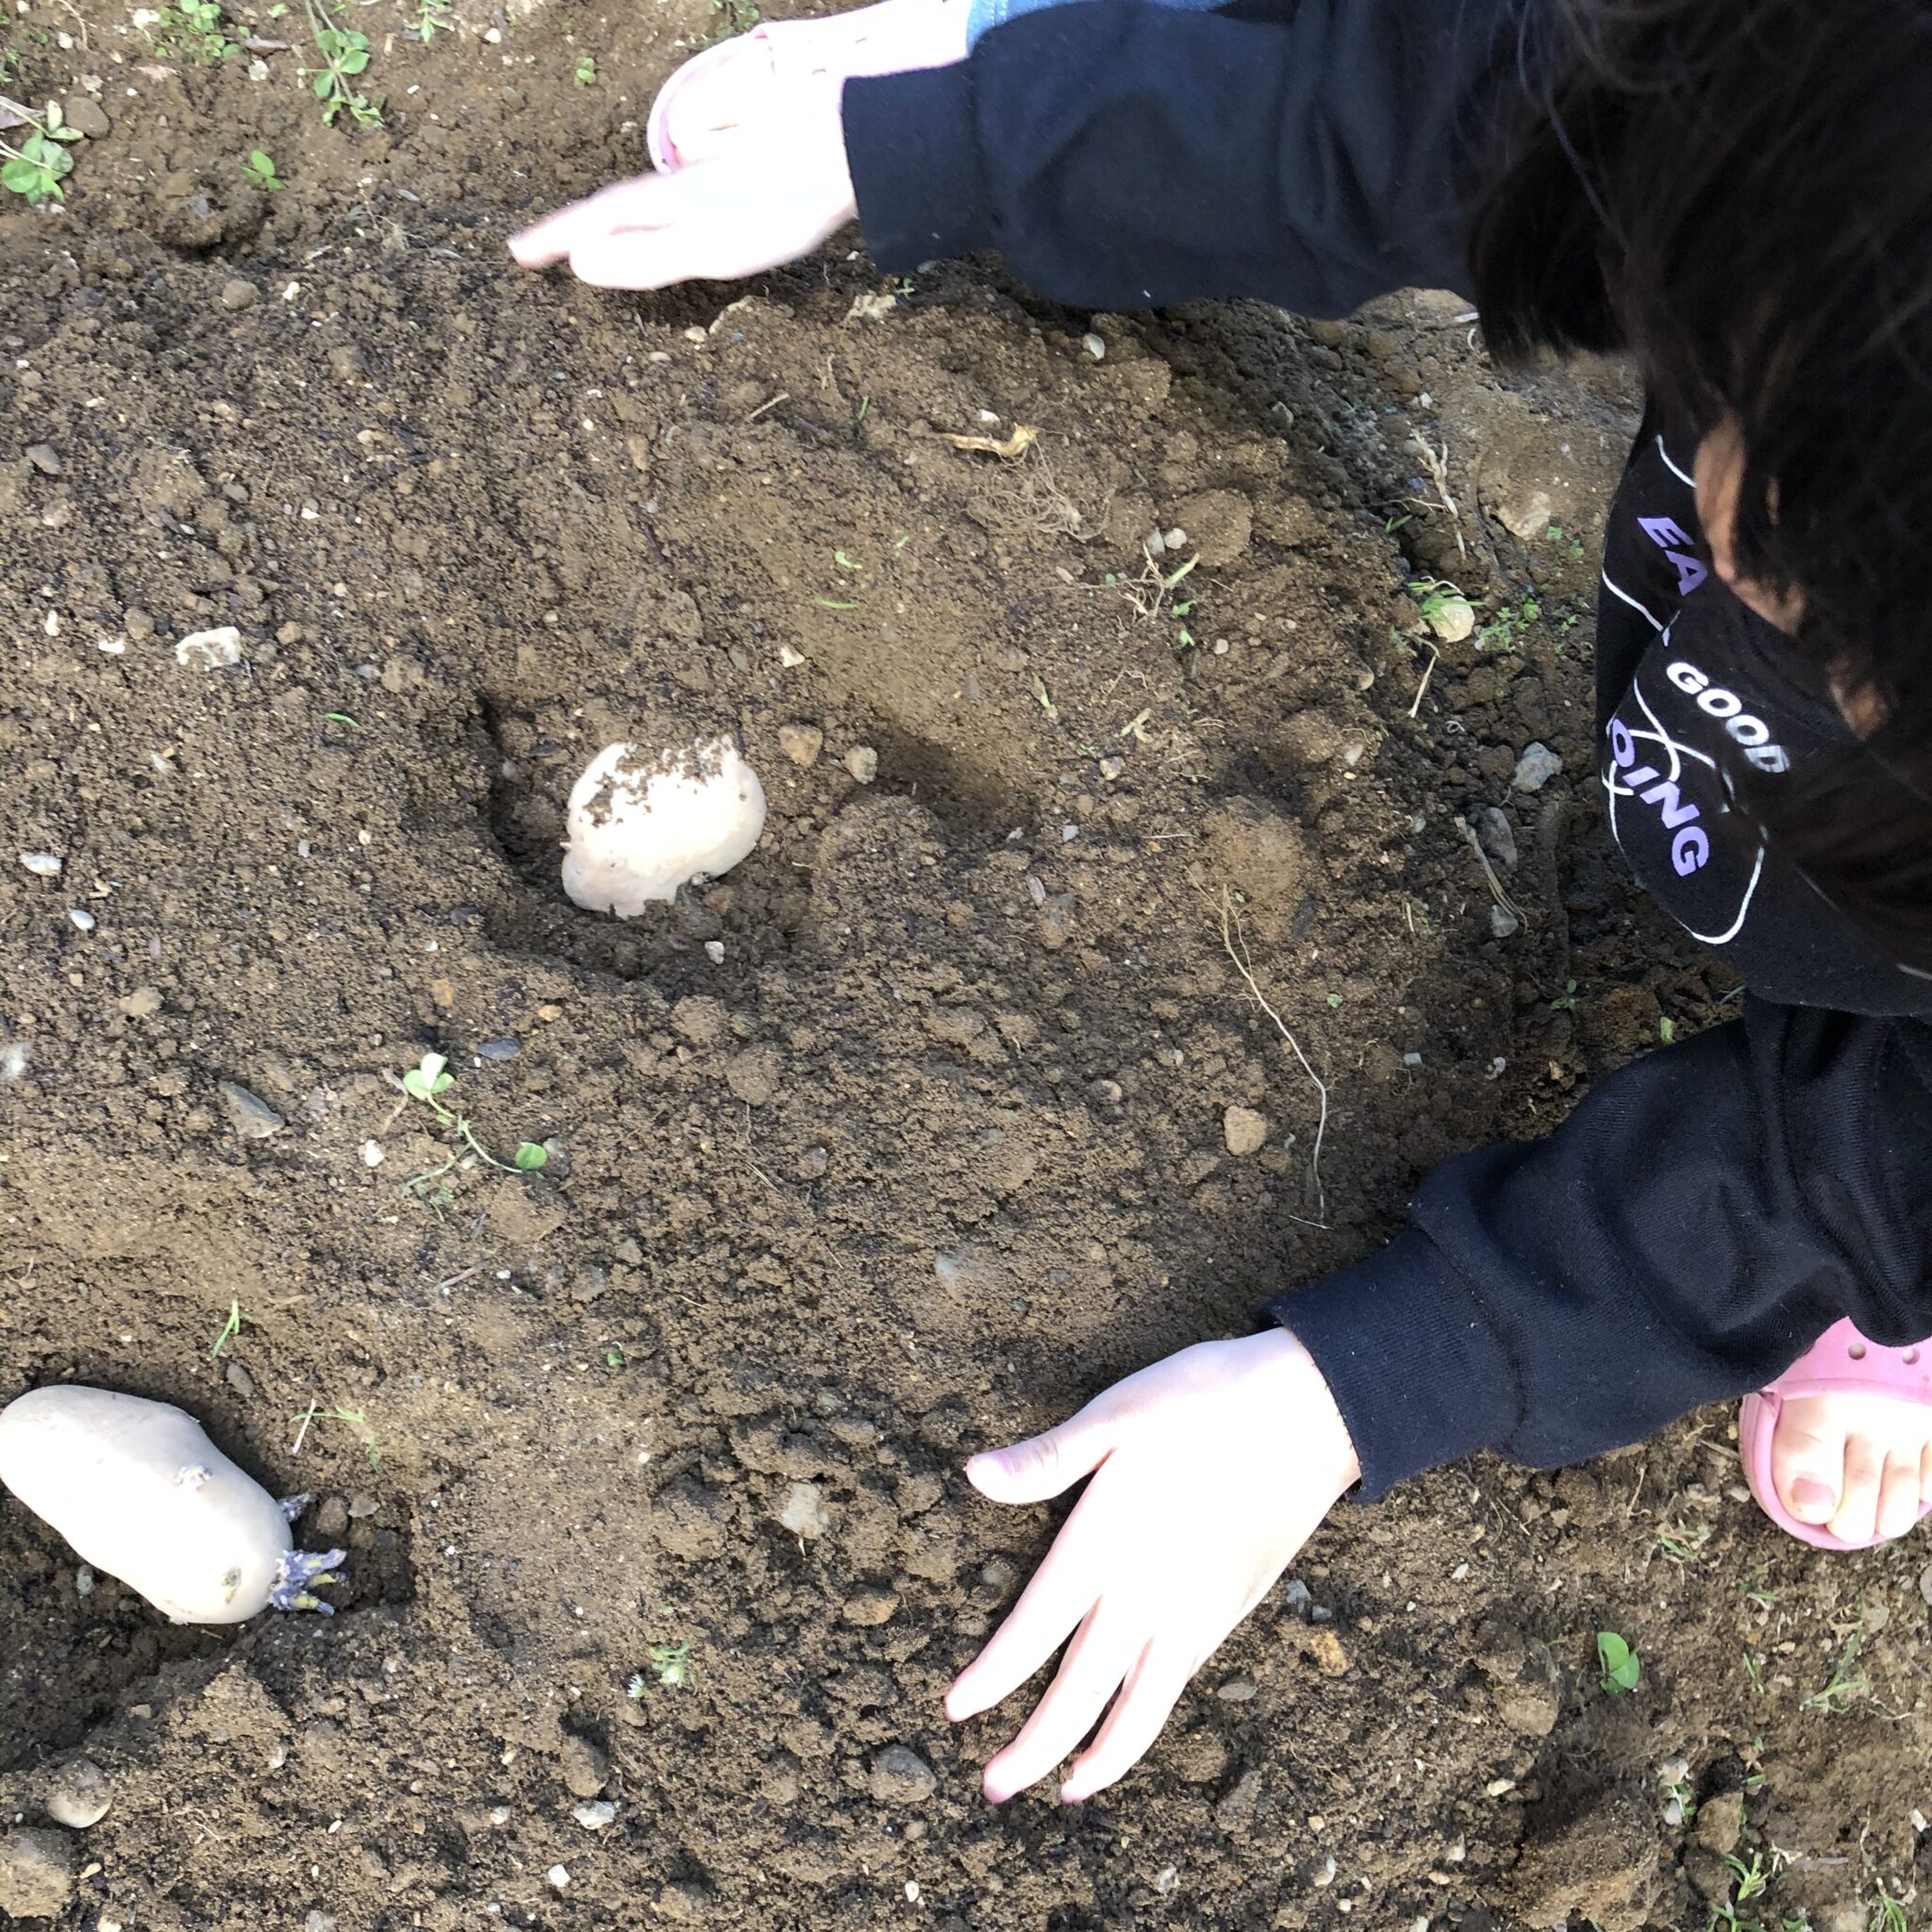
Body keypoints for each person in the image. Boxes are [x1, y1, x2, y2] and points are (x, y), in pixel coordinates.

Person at [510, 0, 1932, 1807]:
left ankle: (1889, 1293)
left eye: (1815, 607)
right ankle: (1075, 46)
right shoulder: (1827, 150)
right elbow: (1421, 126)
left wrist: (1362, 1385)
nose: (1732, 543)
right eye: (1751, 429)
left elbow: (1857, 1151)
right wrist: (941, 149)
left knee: (1869, 1167)